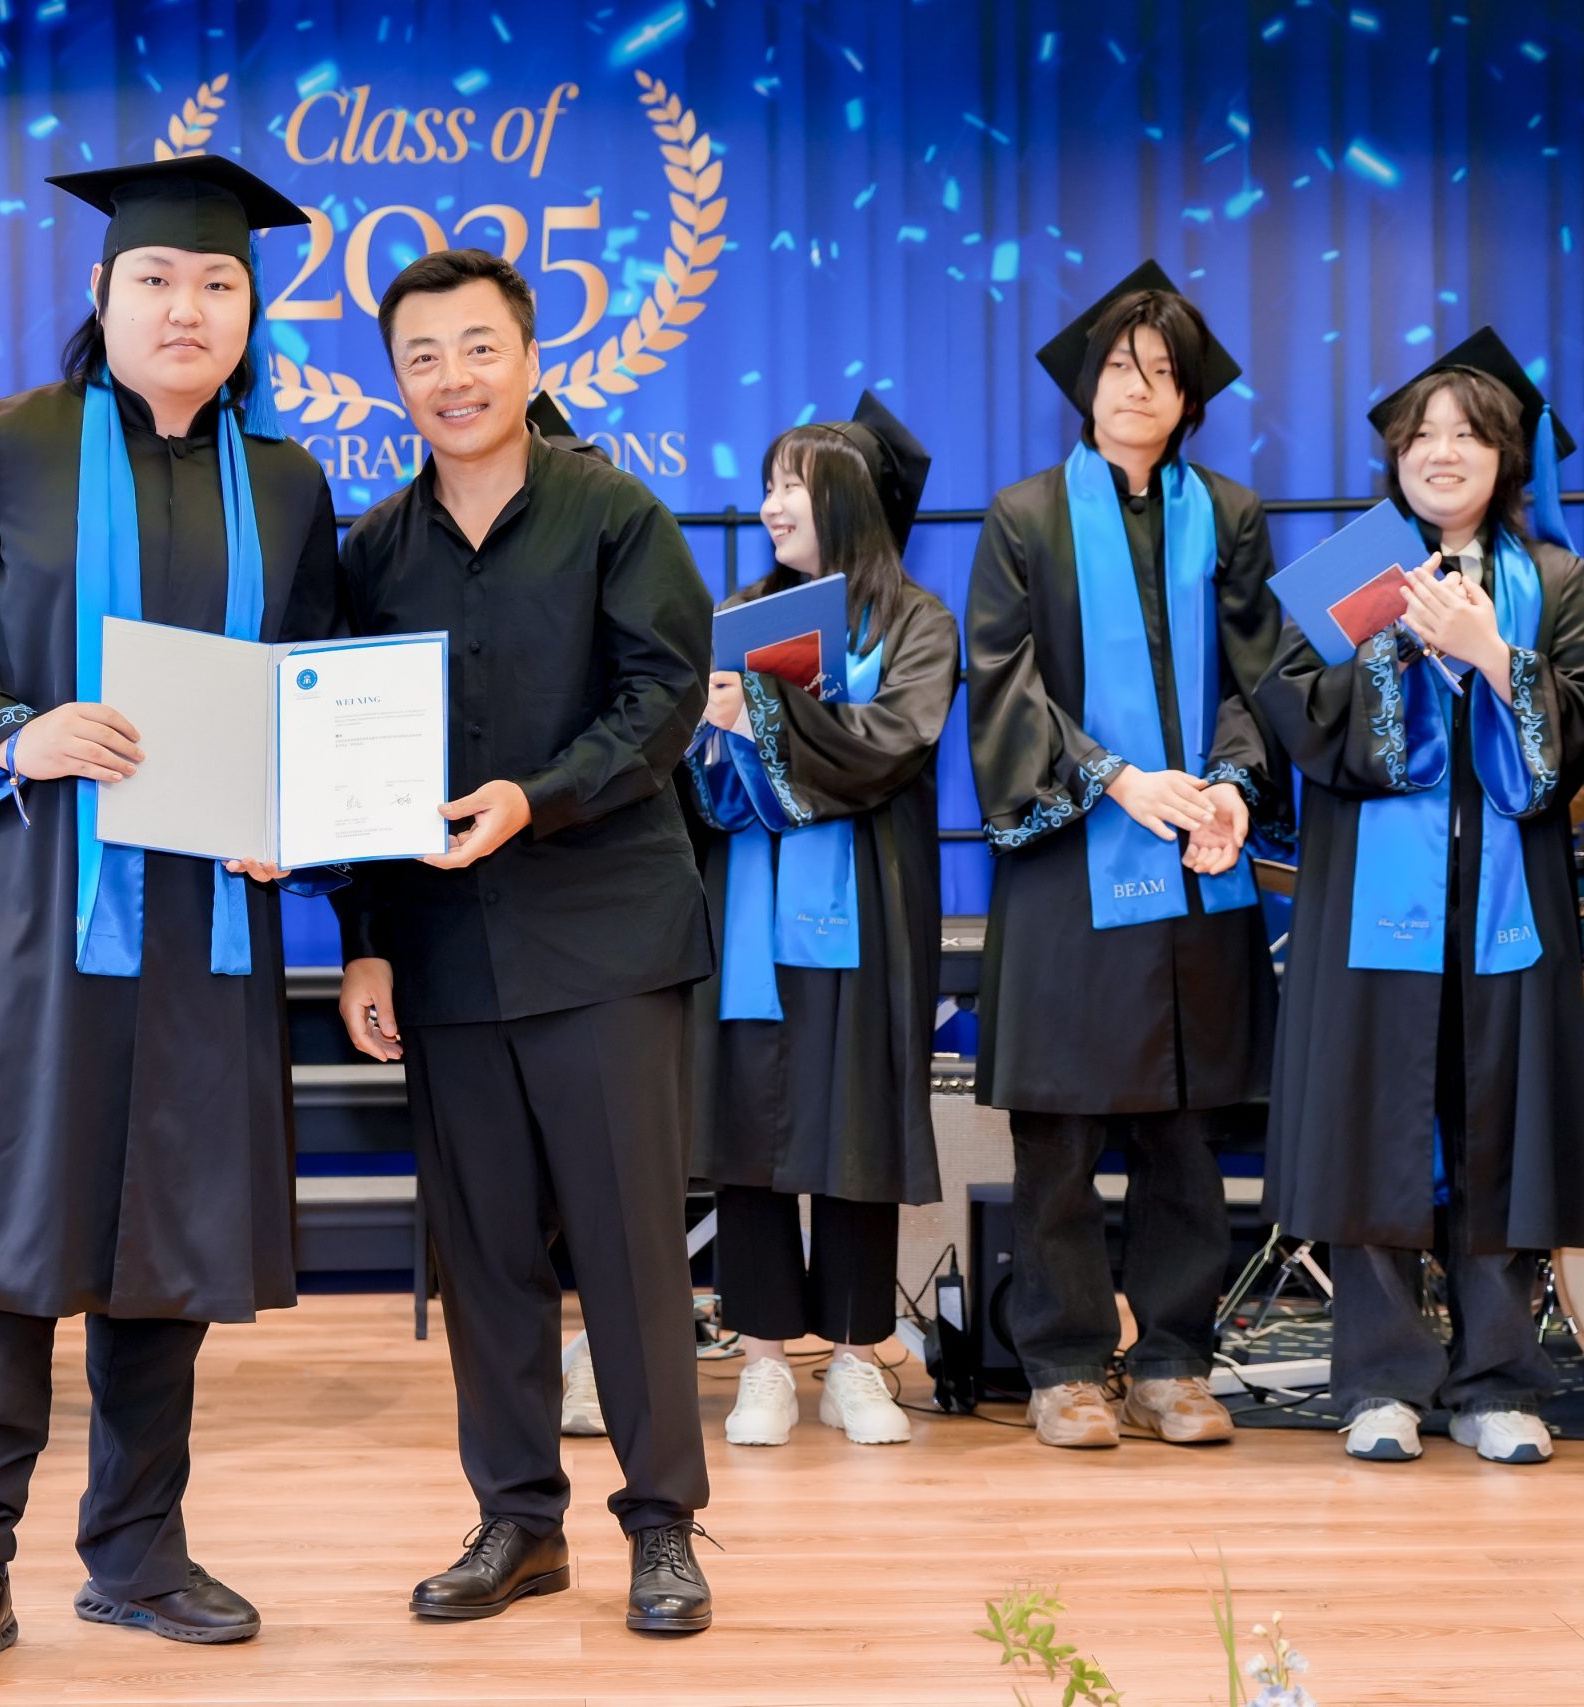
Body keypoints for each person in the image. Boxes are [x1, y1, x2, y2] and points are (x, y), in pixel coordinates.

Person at [0, 157, 340, 1686]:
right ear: (102, 293)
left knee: (166, 1241)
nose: (188, 307)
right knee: (12, 1238)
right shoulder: (16, 444)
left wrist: (299, 814)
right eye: (158, 281)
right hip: (32, 903)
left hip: (204, 913)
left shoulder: (289, 485)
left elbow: (315, 682)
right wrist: (16, 730)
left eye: (218, 284)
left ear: (251, 311)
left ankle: (136, 1552)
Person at [327, 249, 718, 1633]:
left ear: (532, 360)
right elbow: (348, 763)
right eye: (423, 356)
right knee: (482, 1253)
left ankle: (663, 1525)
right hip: (442, 947)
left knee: (628, 1248)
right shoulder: (371, 554)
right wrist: (365, 938)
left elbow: (663, 698)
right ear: (396, 380)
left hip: (604, 934)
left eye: (478, 347)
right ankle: (517, 1520)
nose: (454, 377)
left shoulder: (616, 514)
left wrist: (533, 797)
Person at [1255, 328, 1584, 1466]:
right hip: (1375, 897)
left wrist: (1491, 652)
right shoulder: (1350, 571)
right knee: (1375, 1125)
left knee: (1499, 1126)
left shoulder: (1551, 580)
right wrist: (1395, 651)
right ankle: (1380, 1380)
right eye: (1422, 436)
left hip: (1507, 900)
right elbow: (1296, 714)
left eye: (1468, 434)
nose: (1443, 452)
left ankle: (1496, 1380)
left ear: (1505, 457)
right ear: (1396, 457)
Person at [964, 261, 1286, 1450]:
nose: (1135, 387)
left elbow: (1262, 674)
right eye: (1116, 366)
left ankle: (1171, 1363)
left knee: (1184, 1125)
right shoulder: (1024, 517)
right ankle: (1061, 1364)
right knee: (1058, 1126)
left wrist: (1232, 784)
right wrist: (1114, 777)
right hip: (1071, 855)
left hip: (1198, 857)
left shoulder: (1230, 515)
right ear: (1084, 386)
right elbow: (1002, 681)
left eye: (1159, 371)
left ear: (1189, 396)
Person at [684, 394, 956, 1449]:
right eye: (767, 485)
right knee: (747, 1129)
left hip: (865, 913)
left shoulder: (915, 623)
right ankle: (761, 1359)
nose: (771, 505)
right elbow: (704, 786)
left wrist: (757, 711)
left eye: (792, 484)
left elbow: (892, 744)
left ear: (846, 496)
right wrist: (709, 730)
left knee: (857, 1129)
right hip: (751, 913)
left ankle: (852, 1356)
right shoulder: (739, 614)